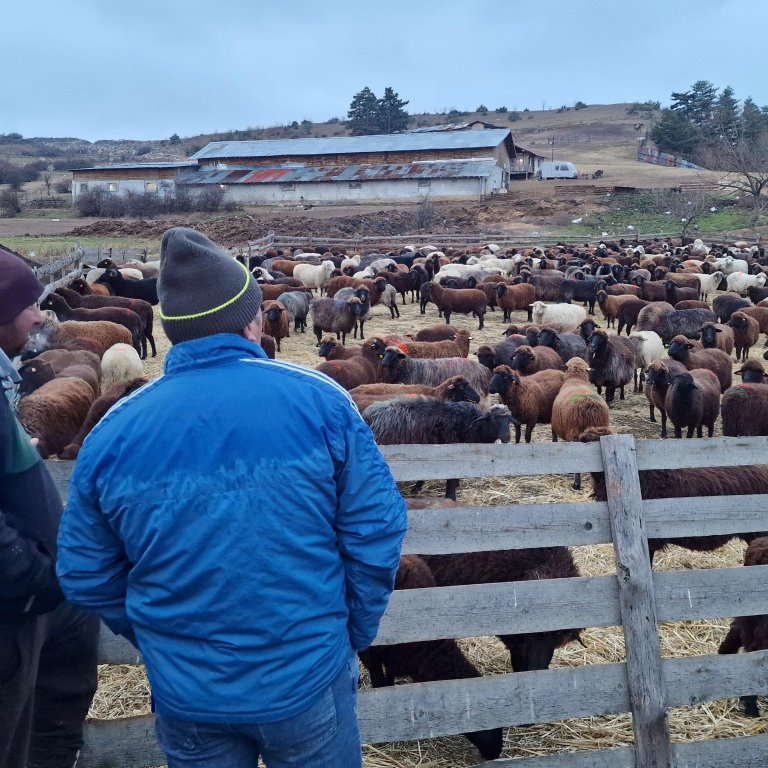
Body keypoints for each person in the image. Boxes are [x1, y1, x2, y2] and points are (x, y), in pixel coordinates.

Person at [56, 227, 408, 768]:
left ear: (171, 329)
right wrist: (350, 630)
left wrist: (157, 635)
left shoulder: (113, 430)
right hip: (305, 674)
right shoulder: (320, 403)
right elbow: (376, 529)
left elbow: (83, 571)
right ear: (252, 318)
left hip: (188, 692)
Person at [0, 248, 99, 768]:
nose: (41, 316)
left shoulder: (3, 377)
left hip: (39, 597)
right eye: (25, 303)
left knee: (49, 726)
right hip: (13, 602)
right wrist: (31, 570)